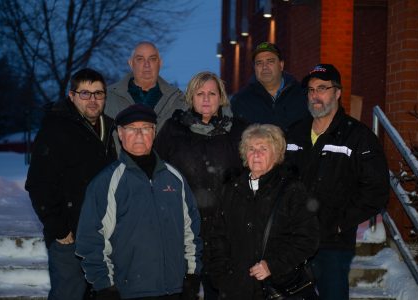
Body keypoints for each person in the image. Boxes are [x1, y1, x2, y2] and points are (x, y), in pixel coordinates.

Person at [76, 104, 203, 300]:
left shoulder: (174, 177)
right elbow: (91, 239)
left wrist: (192, 275)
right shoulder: (107, 182)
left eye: (145, 128)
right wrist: (104, 286)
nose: (139, 134)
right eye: (131, 129)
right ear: (120, 133)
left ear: (154, 132)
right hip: (128, 291)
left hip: (175, 289)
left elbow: (191, 230)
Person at [285, 64, 389, 300]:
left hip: (332, 244)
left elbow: (377, 190)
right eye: (311, 90)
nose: (315, 96)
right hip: (292, 240)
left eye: (322, 88)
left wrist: (341, 223)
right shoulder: (294, 132)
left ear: (338, 92)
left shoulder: (358, 136)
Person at [25, 68, 117, 300]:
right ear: (72, 96)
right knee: (69, 294)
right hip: (70, 237)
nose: (93, 100)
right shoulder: (55, 129)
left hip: (101, 235)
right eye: (85, 93)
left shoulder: (108, 127)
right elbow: (38, 184)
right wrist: (60, 230)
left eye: (98, 93)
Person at [154, 71, 247, 300]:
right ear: (191, 97)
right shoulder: (173, 130)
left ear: (221, 97)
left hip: (225, 231)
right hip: (183, 229)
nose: (206, 99)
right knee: (183, 292)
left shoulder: (238, 130)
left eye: (212, 93)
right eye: (200, 93)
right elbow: (156, 173)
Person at [209, 124, 319, 300]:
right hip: (237, 289)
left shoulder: (292, 190)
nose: (256, 154)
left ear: (276, 154)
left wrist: (273, 266)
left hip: (277, 287)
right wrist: (222, 276)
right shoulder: (232, 189)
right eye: (251, 149)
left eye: (263, 149)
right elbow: (218, 236)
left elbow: (307, 239)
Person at [105, 41, 187, 147]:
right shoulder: (108, 97)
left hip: (164, 163)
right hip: (121, 162)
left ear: (160, 63)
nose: (147, 64)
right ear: (131, 63)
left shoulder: (178, 100)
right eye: (140, 59)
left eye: (152, 59)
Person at [231, 42, 308, 131]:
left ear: (281, 65)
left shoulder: (302, 95)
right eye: (259, 63)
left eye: (270, 61)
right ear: (254, 68)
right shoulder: (240, 100)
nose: (264, 67)